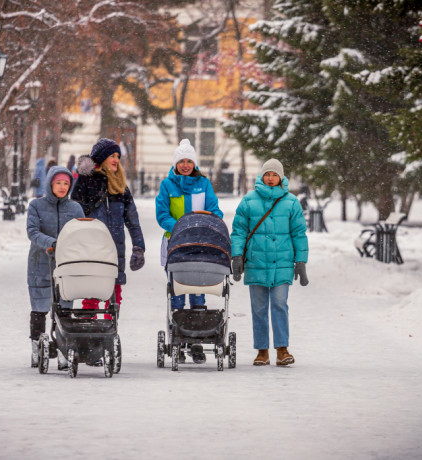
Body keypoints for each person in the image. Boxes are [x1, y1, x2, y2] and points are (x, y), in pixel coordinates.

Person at [230, 159, 309, 367]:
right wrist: (237, 256)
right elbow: (239, 231)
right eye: (267, 174)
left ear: (281, 177)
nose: (271, 178)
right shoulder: (248, 201)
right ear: (261, 176)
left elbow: (299, 233)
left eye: (275, 175)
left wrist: (300, 261)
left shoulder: (291, 202)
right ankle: (262, 351)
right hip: (256, 262)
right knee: (258, 308)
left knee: (279, 304)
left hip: (282, 263)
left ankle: (282, 349)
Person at [155, 138, 223, 364]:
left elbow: (214, 209)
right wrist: (179, 228)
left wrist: (210, 225)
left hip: (200, 244)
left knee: (198, 289)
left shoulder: (203, 183)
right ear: (175, 164)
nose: (185, 165)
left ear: (194, 163)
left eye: (189, 161)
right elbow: (162, 213)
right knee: (177, 291)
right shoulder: (167, 185)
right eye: (181, 161)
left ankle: (196, 338)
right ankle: (178, 339)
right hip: (175, 244)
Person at [71, 138, 145, 315]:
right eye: (112, 155)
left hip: (115, 249)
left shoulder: (120, 187)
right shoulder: (85, 182)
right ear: (102, 158)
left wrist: (139, 247)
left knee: (114, 297)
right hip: (92, 248)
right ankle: (88, 331)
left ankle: (110, 333)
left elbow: (133, 220)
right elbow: (73, 214)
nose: (116, 160)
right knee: (91, 293)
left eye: (118, 156)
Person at [27, 165, 84, 370]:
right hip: (41, 262)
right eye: (58, 183)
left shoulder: (75, 208)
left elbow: (81, 232)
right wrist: (51, 243)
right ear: (51, 184)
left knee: (65, 307)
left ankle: (63, 348)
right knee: (40, 307)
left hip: (67, 264)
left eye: (66, 183)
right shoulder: (36, 206)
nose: (62, 187)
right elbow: (32, 231)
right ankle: (36, 347)